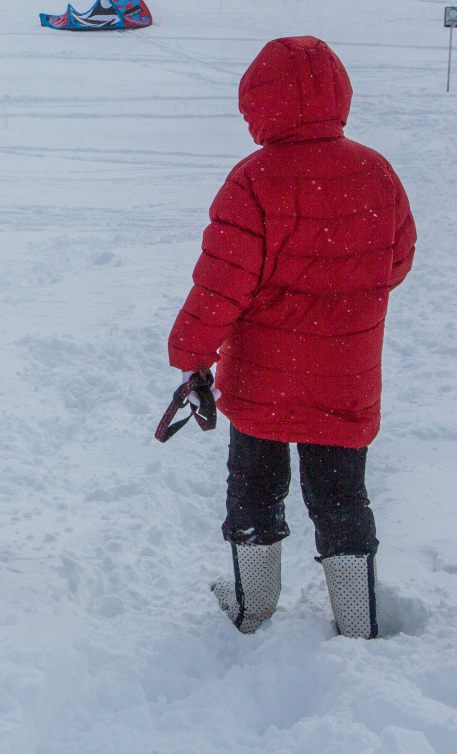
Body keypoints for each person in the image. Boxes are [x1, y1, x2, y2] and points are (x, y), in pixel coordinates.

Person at [167, 36, 415, 639]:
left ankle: (254, 604)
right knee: (341, 496)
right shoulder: (376, 170)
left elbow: (221, 285)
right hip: (345, 375)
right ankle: (356, 619)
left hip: (264, 379)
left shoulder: (253, 181)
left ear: (261, 104)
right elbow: (398, 260)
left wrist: (190, 355)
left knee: (254, 486)